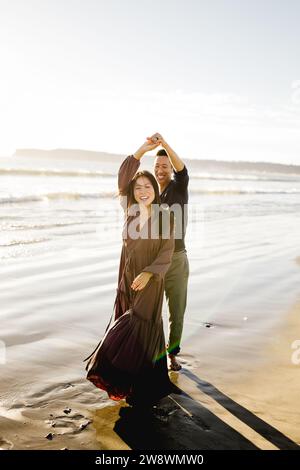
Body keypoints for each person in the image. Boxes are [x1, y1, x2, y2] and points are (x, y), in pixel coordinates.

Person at [84, 139, 180, 408]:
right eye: (138, 188)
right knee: (127, 324)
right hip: (126, 278)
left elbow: (167, 251)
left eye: (147, 187)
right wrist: (142, 150)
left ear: (155, 189)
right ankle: (131, 385)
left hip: (151, 279)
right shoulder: (130, 209)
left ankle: (122, 376)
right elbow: (123, 176)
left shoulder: (165, 216)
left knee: (139, 326)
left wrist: (149, 274)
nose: (142, 191)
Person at [144, 133, 189, 371]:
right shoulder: (150, 194)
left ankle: (172, 354)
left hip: (177, 260)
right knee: (151, 310)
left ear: (170, 169)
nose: (160, 170)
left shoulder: (178, 188)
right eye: (157, 166)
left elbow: (183, 171)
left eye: (165, 166)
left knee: (176, 311)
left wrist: (164, 145)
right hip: (155, 261)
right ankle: (153, 352)